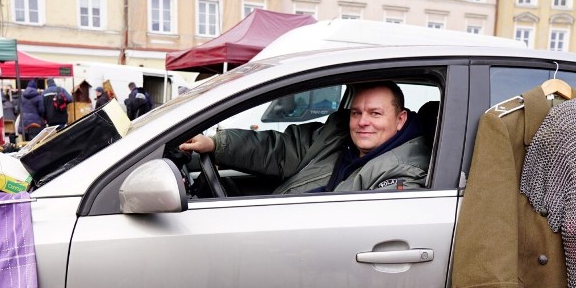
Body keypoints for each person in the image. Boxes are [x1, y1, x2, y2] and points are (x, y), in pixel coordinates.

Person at [179, 81, 431, 194]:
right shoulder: (338, 137)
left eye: (375, 113)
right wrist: (216, 143)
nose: (363, 121)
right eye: (356, 112)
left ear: (400, 119)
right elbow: (281, 149)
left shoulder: (403, 174)